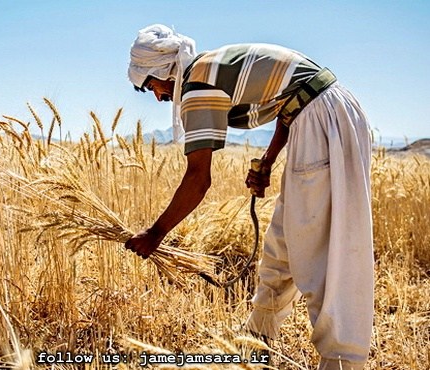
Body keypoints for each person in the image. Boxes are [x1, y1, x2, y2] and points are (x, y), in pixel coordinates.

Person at [124, 24, 374, 370]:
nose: (156, 95)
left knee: (323, 256)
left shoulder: (197, 82)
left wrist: (155, 234)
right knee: (283, 244)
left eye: (150, 85)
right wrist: (268, 162)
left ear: (165, 69)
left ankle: (343, 362)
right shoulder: (208, 68)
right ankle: (255, 344)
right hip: (321, 112)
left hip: (322, 118)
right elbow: (290, 103)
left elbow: (198, 179)